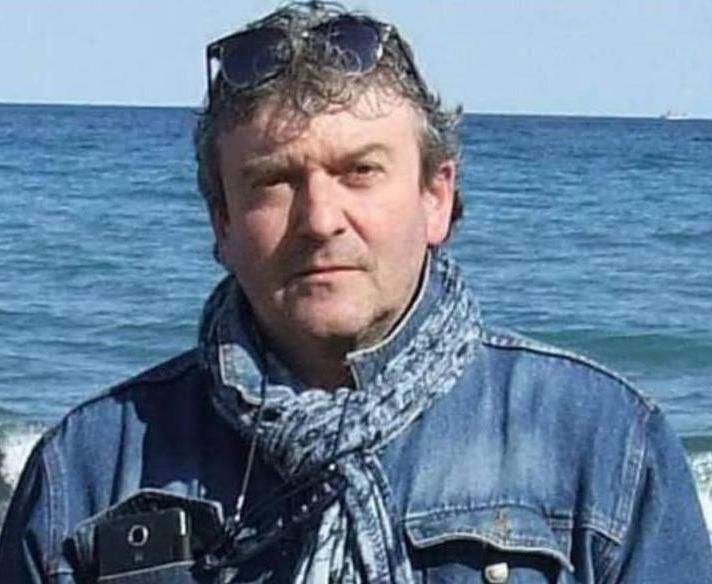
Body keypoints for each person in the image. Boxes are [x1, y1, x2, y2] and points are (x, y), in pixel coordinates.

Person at [1, 1, 710, 582]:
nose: (320, 220)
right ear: (222, 221)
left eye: (360, 172)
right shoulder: (89, 471)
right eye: (274, 181)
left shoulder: (604, 447)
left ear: (437, 197)